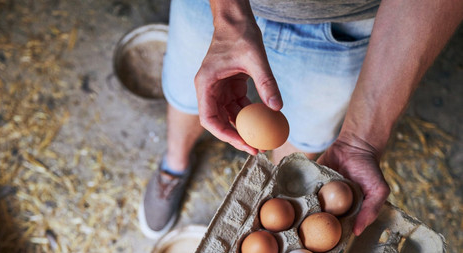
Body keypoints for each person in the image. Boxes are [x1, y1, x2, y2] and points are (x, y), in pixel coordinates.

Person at [139, 0, 463, 239]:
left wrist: (362, 141)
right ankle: (174, 165)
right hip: (211, 6)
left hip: (345, 25)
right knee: (191, 93)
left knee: (301, 139)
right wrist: (229, 15)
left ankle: (275, 207)